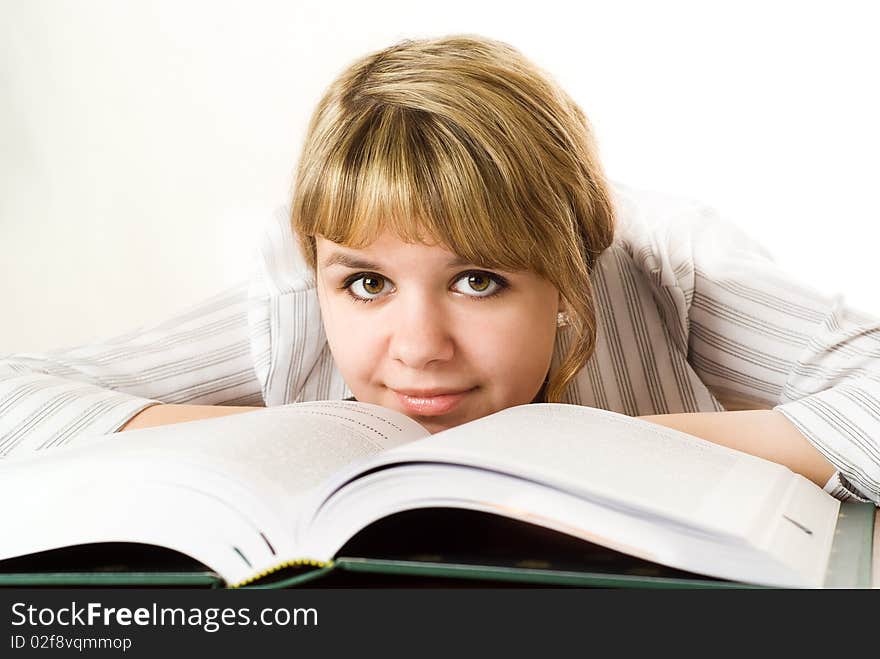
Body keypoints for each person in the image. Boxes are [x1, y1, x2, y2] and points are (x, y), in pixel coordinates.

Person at [1, 35, 878, 506]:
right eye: (368, 284)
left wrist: (580, 450)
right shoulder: (292, 294)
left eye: (477, 280)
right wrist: (299, 441)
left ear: (571, 273)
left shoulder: (668, 263)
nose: (416, 349)